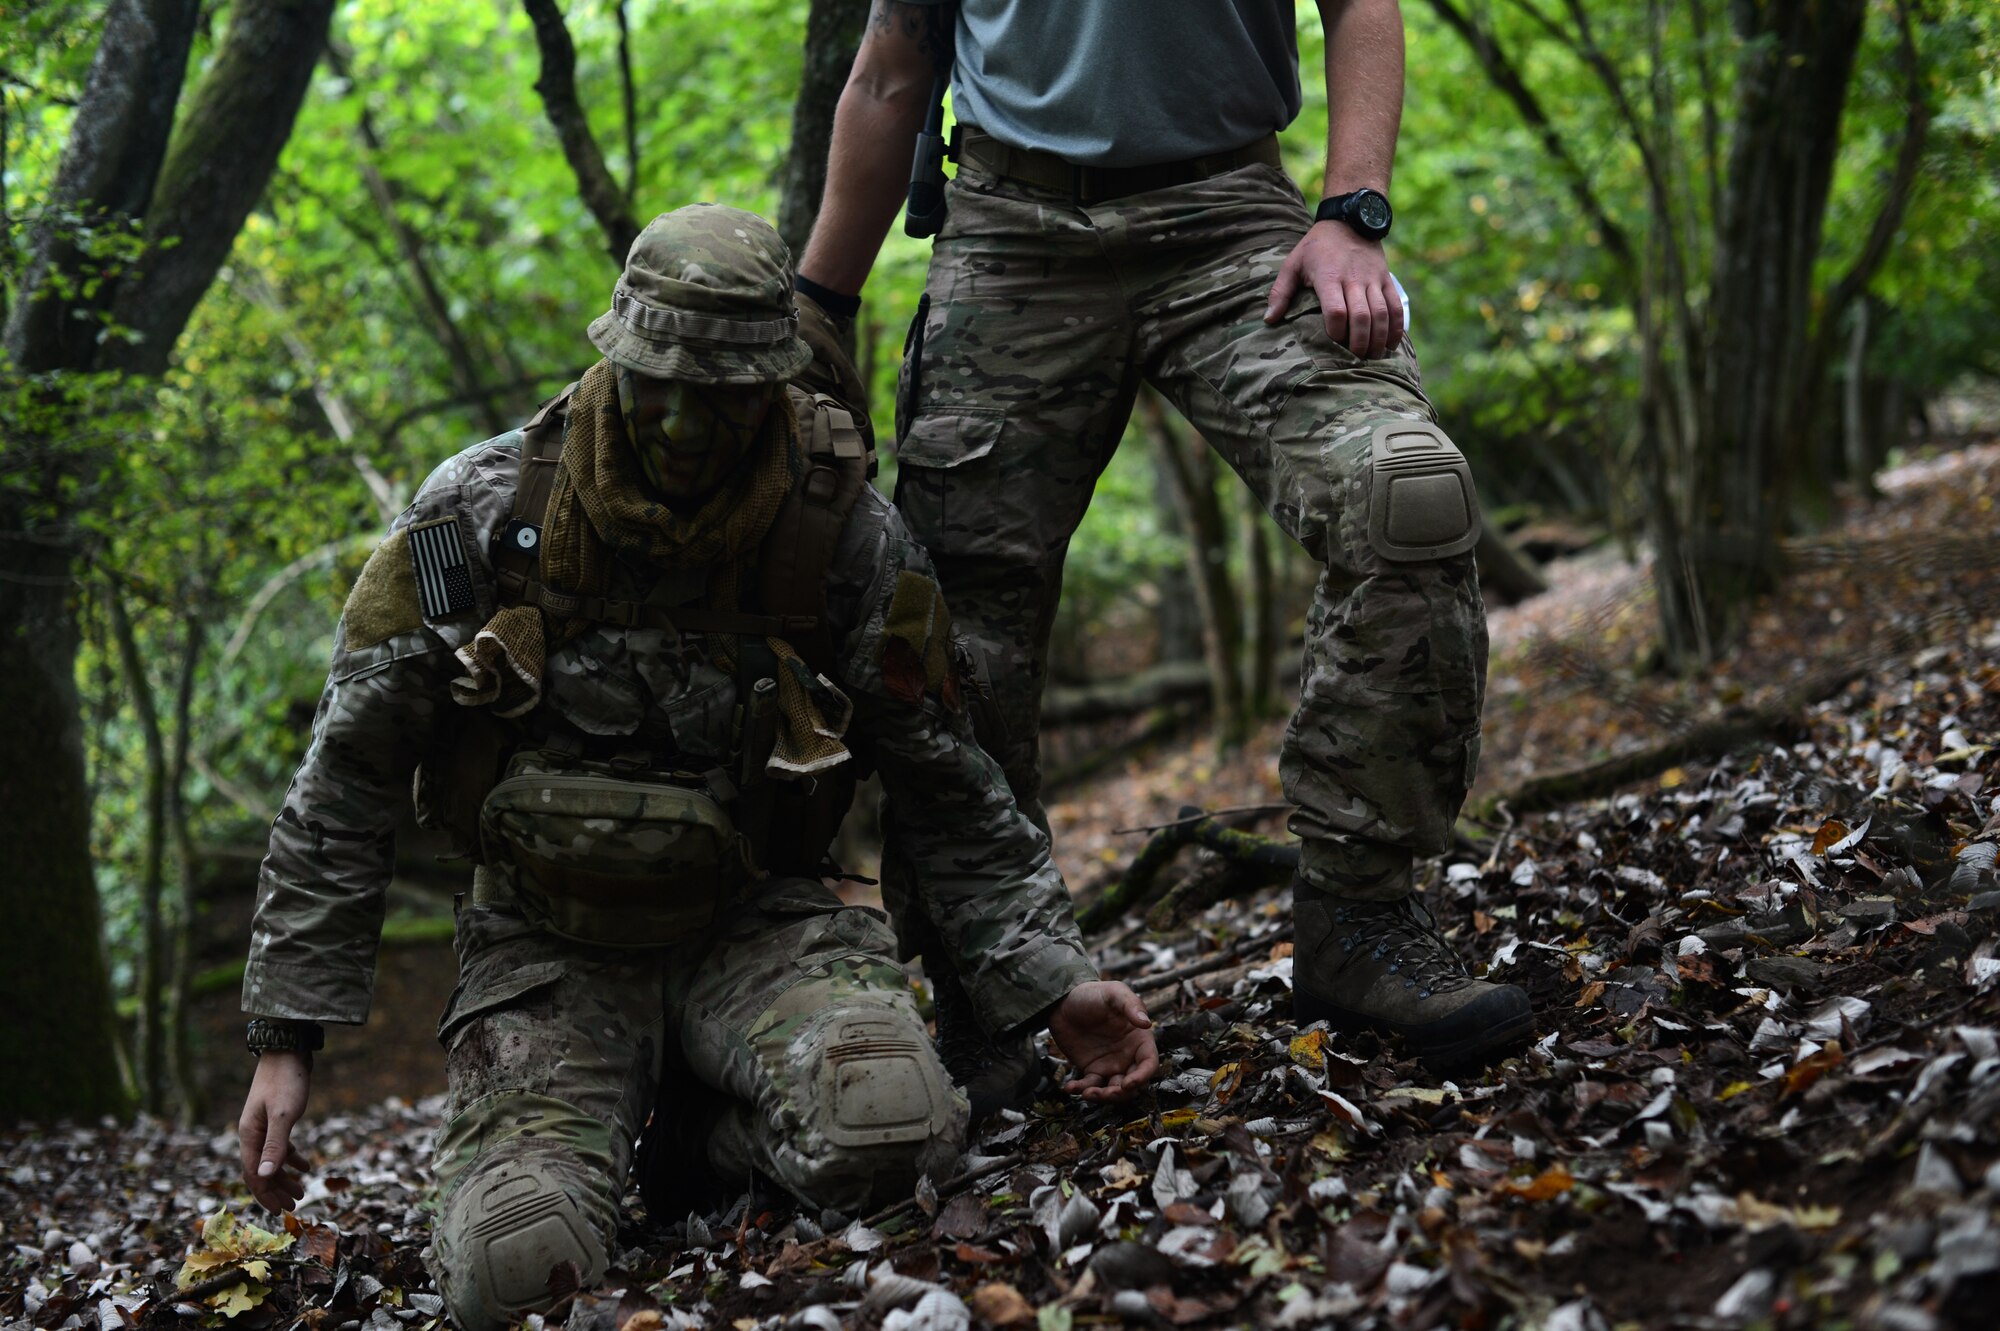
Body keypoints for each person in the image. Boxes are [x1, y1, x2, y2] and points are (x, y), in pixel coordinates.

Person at [233, 205, 1158, 1331]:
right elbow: (345, 780)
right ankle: (615, 1142)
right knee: (513, 1273)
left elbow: (944, 776)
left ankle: (695, 1142)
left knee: (891, 1124)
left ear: (772, 379)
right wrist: (286, 1040)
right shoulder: (476, 516)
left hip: (763, 924)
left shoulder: (843, 535)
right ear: (611, 354)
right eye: (653, 379)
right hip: (546, 948)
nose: (678, 419)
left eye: (718, 390)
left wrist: (1055, 978)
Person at [793, 0, 1532, 1084]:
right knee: (939, 621)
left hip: (1232, 220)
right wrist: (814, 311)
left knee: (1402, 493)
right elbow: (887, 77)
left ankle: (1359, 918)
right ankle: (992, 985)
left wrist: (1350, 212)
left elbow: (1360, 5)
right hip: (1012, 233)